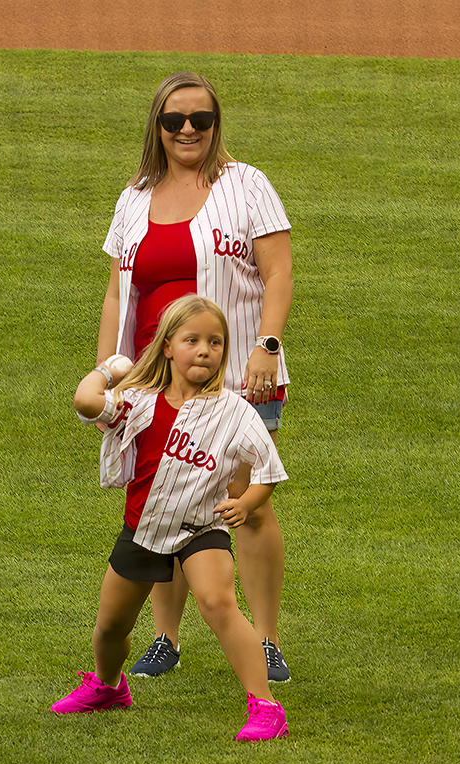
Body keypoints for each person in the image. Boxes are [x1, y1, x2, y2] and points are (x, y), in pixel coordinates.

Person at [96, 70, 293, 683]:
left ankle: (264, 641)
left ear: (216, 126)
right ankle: (165, 638)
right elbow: (116, 293)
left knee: (246, 505)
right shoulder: (135, 194)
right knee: (165, 501)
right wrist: (107, 371)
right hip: (157, 381)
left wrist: (266, 344)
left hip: (239, 375)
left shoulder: (246, 184)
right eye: (175, 120)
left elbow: (279, 272)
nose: (188, 130)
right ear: (157, 126)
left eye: (200, 120)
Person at [51, 296, 289, 742]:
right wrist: (110, 368)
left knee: (220, 604)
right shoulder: (138, 401)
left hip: (202, 530)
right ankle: (107, 687)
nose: (205, 350)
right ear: (166, 347)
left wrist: (247, 503)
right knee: (110, 627)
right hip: (143, 530)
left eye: (215, 342)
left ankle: (266, 708)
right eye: (192, 340)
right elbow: (86, 402)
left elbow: (269, 472)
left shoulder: (233, 410)